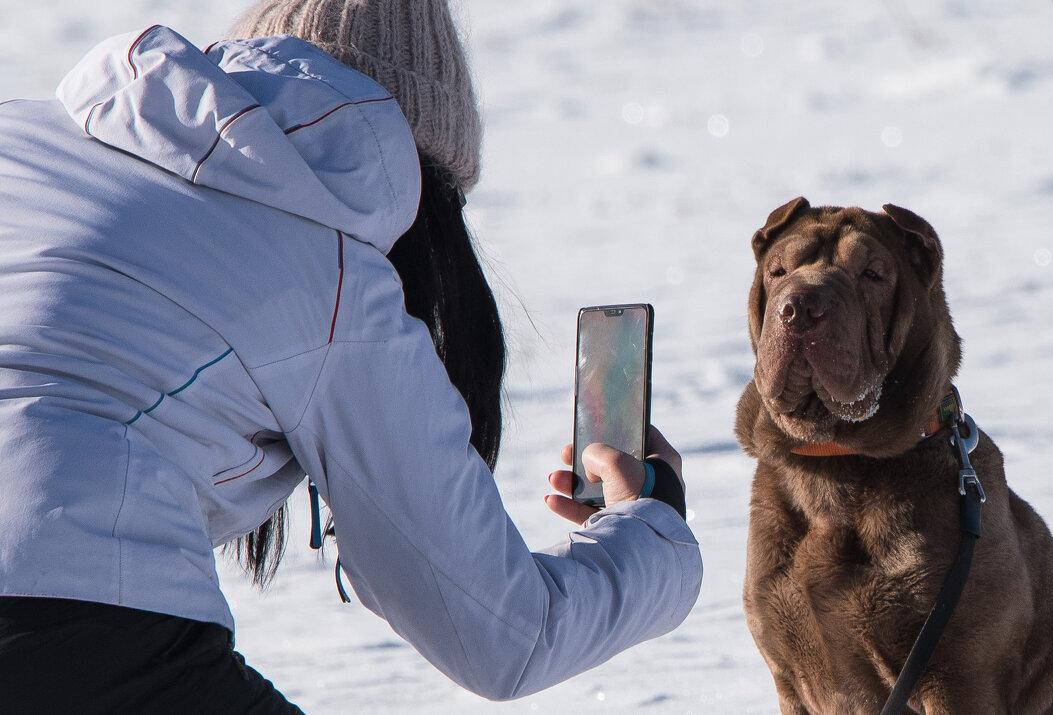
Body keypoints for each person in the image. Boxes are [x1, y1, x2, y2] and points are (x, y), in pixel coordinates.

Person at [0, 0, 702, 711]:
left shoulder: (24, 139)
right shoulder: (329, 263)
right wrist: (652, 530)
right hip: (74, 625)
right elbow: (505, 633)